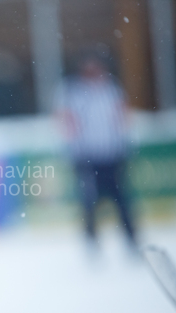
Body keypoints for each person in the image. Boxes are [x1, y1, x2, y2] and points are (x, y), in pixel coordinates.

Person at [54, 52, 137, 252]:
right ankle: (91, 240)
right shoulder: (72, 92)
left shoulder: (111, 89)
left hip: (112, 154)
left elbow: (122, 115)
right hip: (87, 156)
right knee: (89, 201)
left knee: (121, 199)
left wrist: (125, 143)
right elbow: (65, 119)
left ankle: (131, 239)